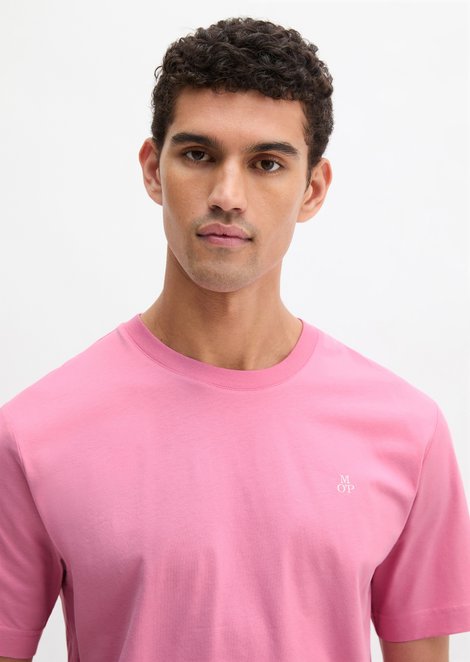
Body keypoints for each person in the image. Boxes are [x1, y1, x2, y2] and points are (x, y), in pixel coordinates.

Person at [1, 16, 469, 662]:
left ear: (312, 189)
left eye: (266, 164)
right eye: (198, 155)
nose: (227, 195)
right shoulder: (34, 435)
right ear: (153, 170)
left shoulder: (408, 433)